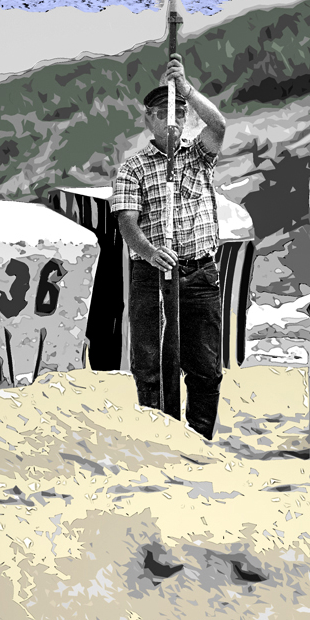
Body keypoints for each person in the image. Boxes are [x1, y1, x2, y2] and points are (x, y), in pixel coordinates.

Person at [109, 54, 227, 439]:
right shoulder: (133, 168)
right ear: (150, 120)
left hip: (200, 273)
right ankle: (159, 438)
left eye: (178, 111)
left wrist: (187, 89)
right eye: (163, 113)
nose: (172, 119)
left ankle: (200, 440)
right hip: (151, 274)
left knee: (205, 366)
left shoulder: (198, 156)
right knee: (151, 366)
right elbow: (127, 222)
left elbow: (218, 124)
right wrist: (149, 252)